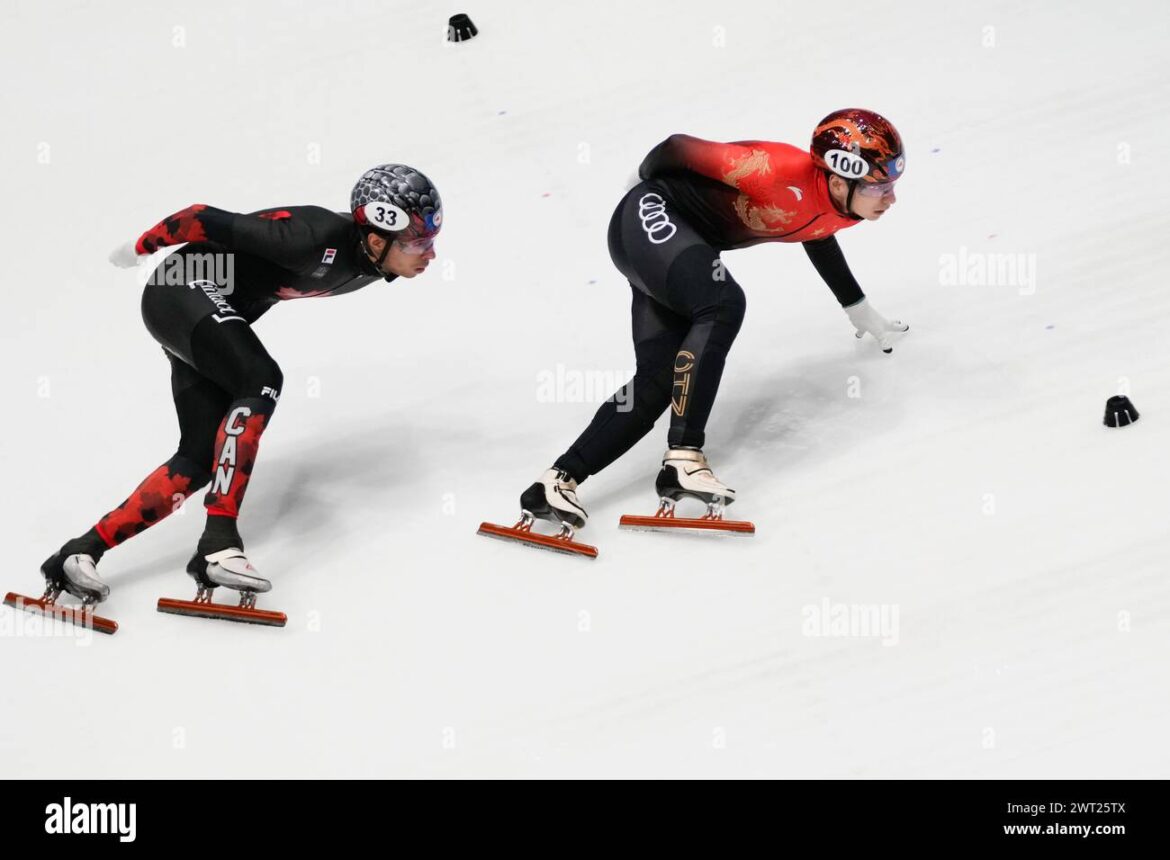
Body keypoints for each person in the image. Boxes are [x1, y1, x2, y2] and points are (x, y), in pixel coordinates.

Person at [38, 164, 442, 607]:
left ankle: (79, 551)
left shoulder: (370, 265)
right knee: (262, 378)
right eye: (419, 243)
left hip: (205, 314)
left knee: (200, 456)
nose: (430, 255)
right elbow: (200, 217)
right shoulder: (311, 235)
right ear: (378, 237)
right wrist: (139, 248)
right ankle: (219, 542)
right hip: (179, 288)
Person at [521, 108, 908, 531]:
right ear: (838, 178)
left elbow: (814, 231)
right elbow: (676, 147)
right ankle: (684, 457)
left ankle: (556, 481)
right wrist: (638, 186)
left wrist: (856, 306)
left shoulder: (843, 203)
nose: (891, 198)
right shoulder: (772, 168)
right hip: (652, 216)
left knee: (659, 379)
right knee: (723, 303)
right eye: (881, 187)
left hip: (672, 249)